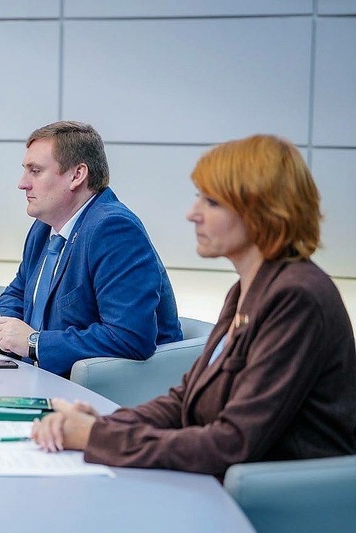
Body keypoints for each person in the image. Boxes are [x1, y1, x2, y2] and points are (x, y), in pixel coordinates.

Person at [32, 134, 356, 478]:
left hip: (276, 492)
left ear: (263, 211)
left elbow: (233, 442)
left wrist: (99, 438)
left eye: (211, 202)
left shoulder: (296, 297)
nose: (192, 214)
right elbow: (185, 401)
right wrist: (104, 426)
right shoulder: (247, 288)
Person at [0, 121, 181, 376]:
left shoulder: (113, 229)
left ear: (77, 175)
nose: (22, 184)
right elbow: (20, 292)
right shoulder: (43, 227)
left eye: (36, 171)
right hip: (40, 378)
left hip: (105, 390)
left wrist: (35, 343)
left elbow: (129, 337)